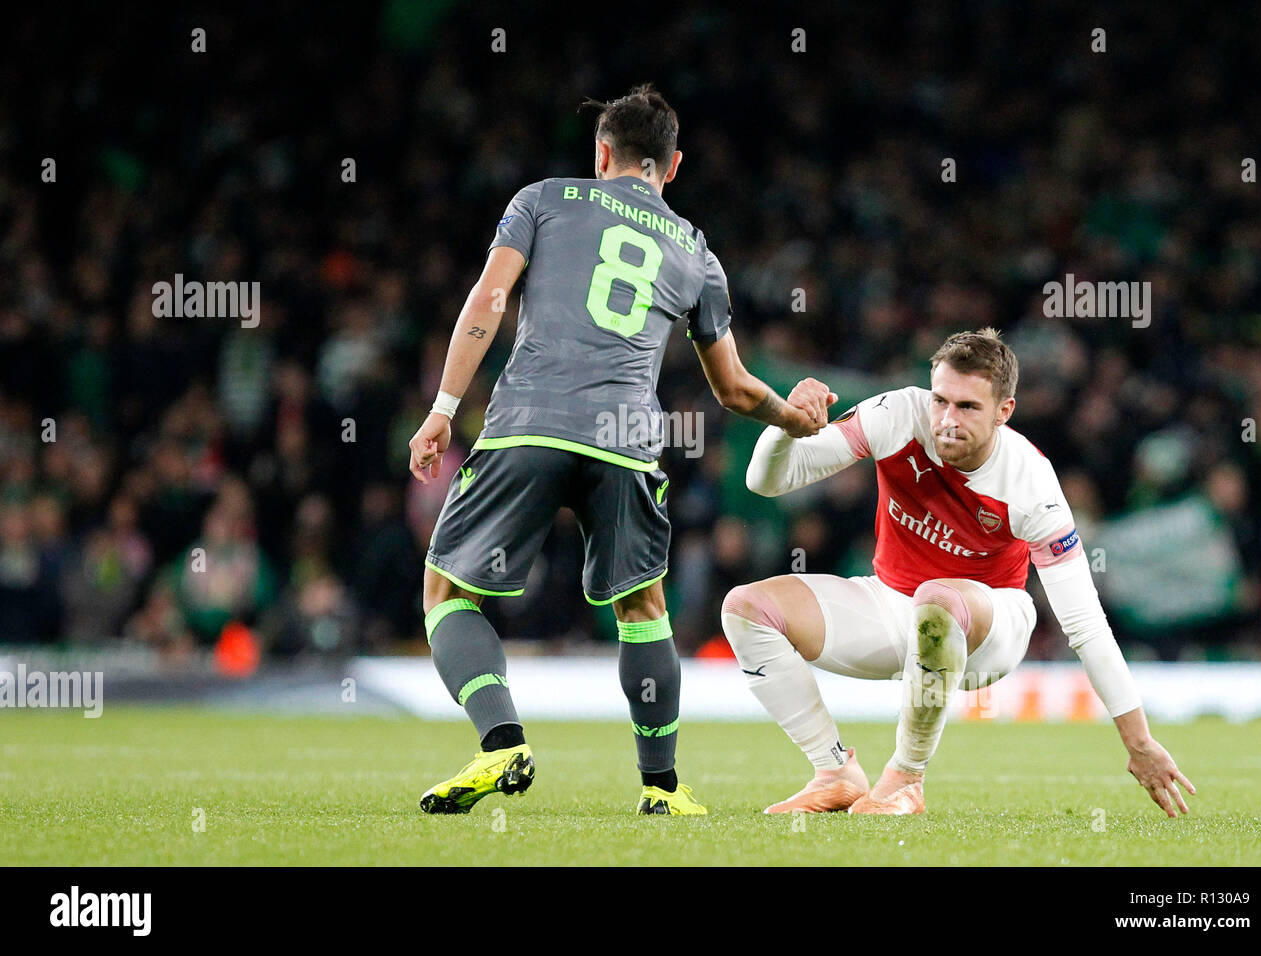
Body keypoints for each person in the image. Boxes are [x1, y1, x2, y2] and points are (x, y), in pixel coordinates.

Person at [407, 84, 830, 815]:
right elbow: (731, 389)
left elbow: (488, 299)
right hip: (628, 441)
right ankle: (661, 789)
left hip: (530, 423)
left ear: (602, 154)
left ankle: (502, 740)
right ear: (672, 167)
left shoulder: (542, 199)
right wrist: (795, 419)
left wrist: (444, 409)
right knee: (643, 608)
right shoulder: (696, 251)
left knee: (447, 591)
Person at [722, 328, 1196, 817]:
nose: (947, 421)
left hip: (991, 627)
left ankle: (905, 779)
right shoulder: (898, 414)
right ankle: (834, 771)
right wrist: (786, 424)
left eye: (968, 407)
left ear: (1003, 411)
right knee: (746, 609)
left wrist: (1139, 742)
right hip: (892, 602)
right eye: (940, 401)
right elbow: (766, 481)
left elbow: (1085, 625)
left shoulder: (1030, 480)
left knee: (938, 600)